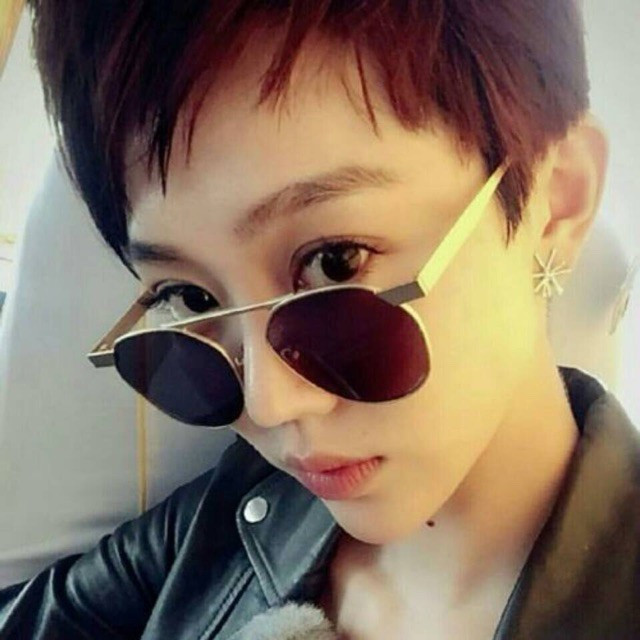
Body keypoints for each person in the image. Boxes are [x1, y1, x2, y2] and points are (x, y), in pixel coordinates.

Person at [1, 1, 638, 638]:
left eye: (335, 262)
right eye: (191, 298)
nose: (268, 405)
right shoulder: (230, 515)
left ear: (557, 199)